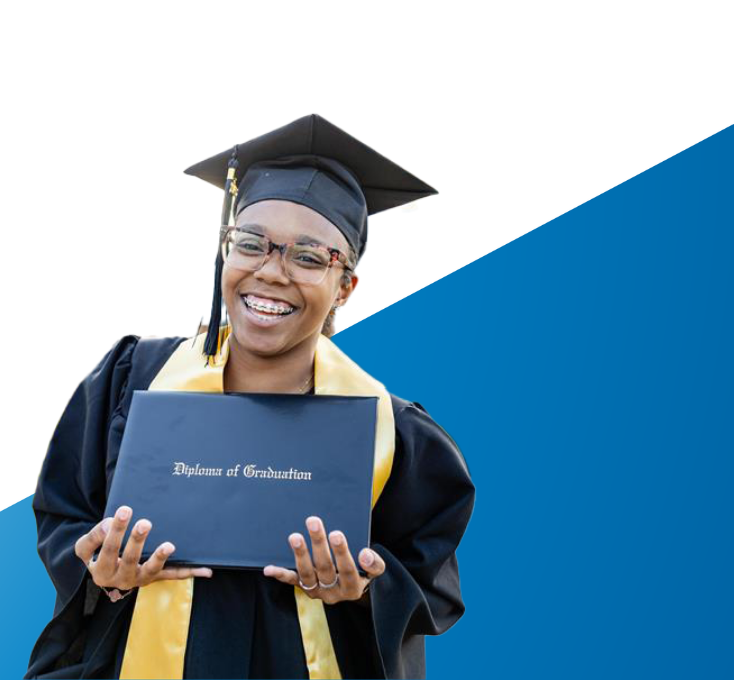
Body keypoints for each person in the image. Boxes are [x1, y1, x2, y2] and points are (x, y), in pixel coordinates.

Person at [25, 114, 475, 679]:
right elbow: (64, 515)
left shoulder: (392, 430)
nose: (271, 272)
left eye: (308, 257)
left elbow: (428, 582)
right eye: (250, 243)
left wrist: (362, 588)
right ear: (225, 252)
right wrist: (99, 570)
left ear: (346, 286)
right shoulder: (133, 378)